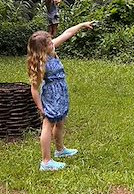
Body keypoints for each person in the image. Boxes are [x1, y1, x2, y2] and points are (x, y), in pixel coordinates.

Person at [27, 23, 94, 171]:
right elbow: (34, 89)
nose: (53, 43)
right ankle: (46, 162)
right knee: (48, 124)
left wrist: (82, 25)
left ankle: (60, 150)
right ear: (42, 48)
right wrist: (40, 107)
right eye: (49, 43)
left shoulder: (51, 50)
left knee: (60, 121)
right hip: (51, 95)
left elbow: (67, 33)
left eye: (51, 41)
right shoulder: (40, 63)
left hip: (61, 92)